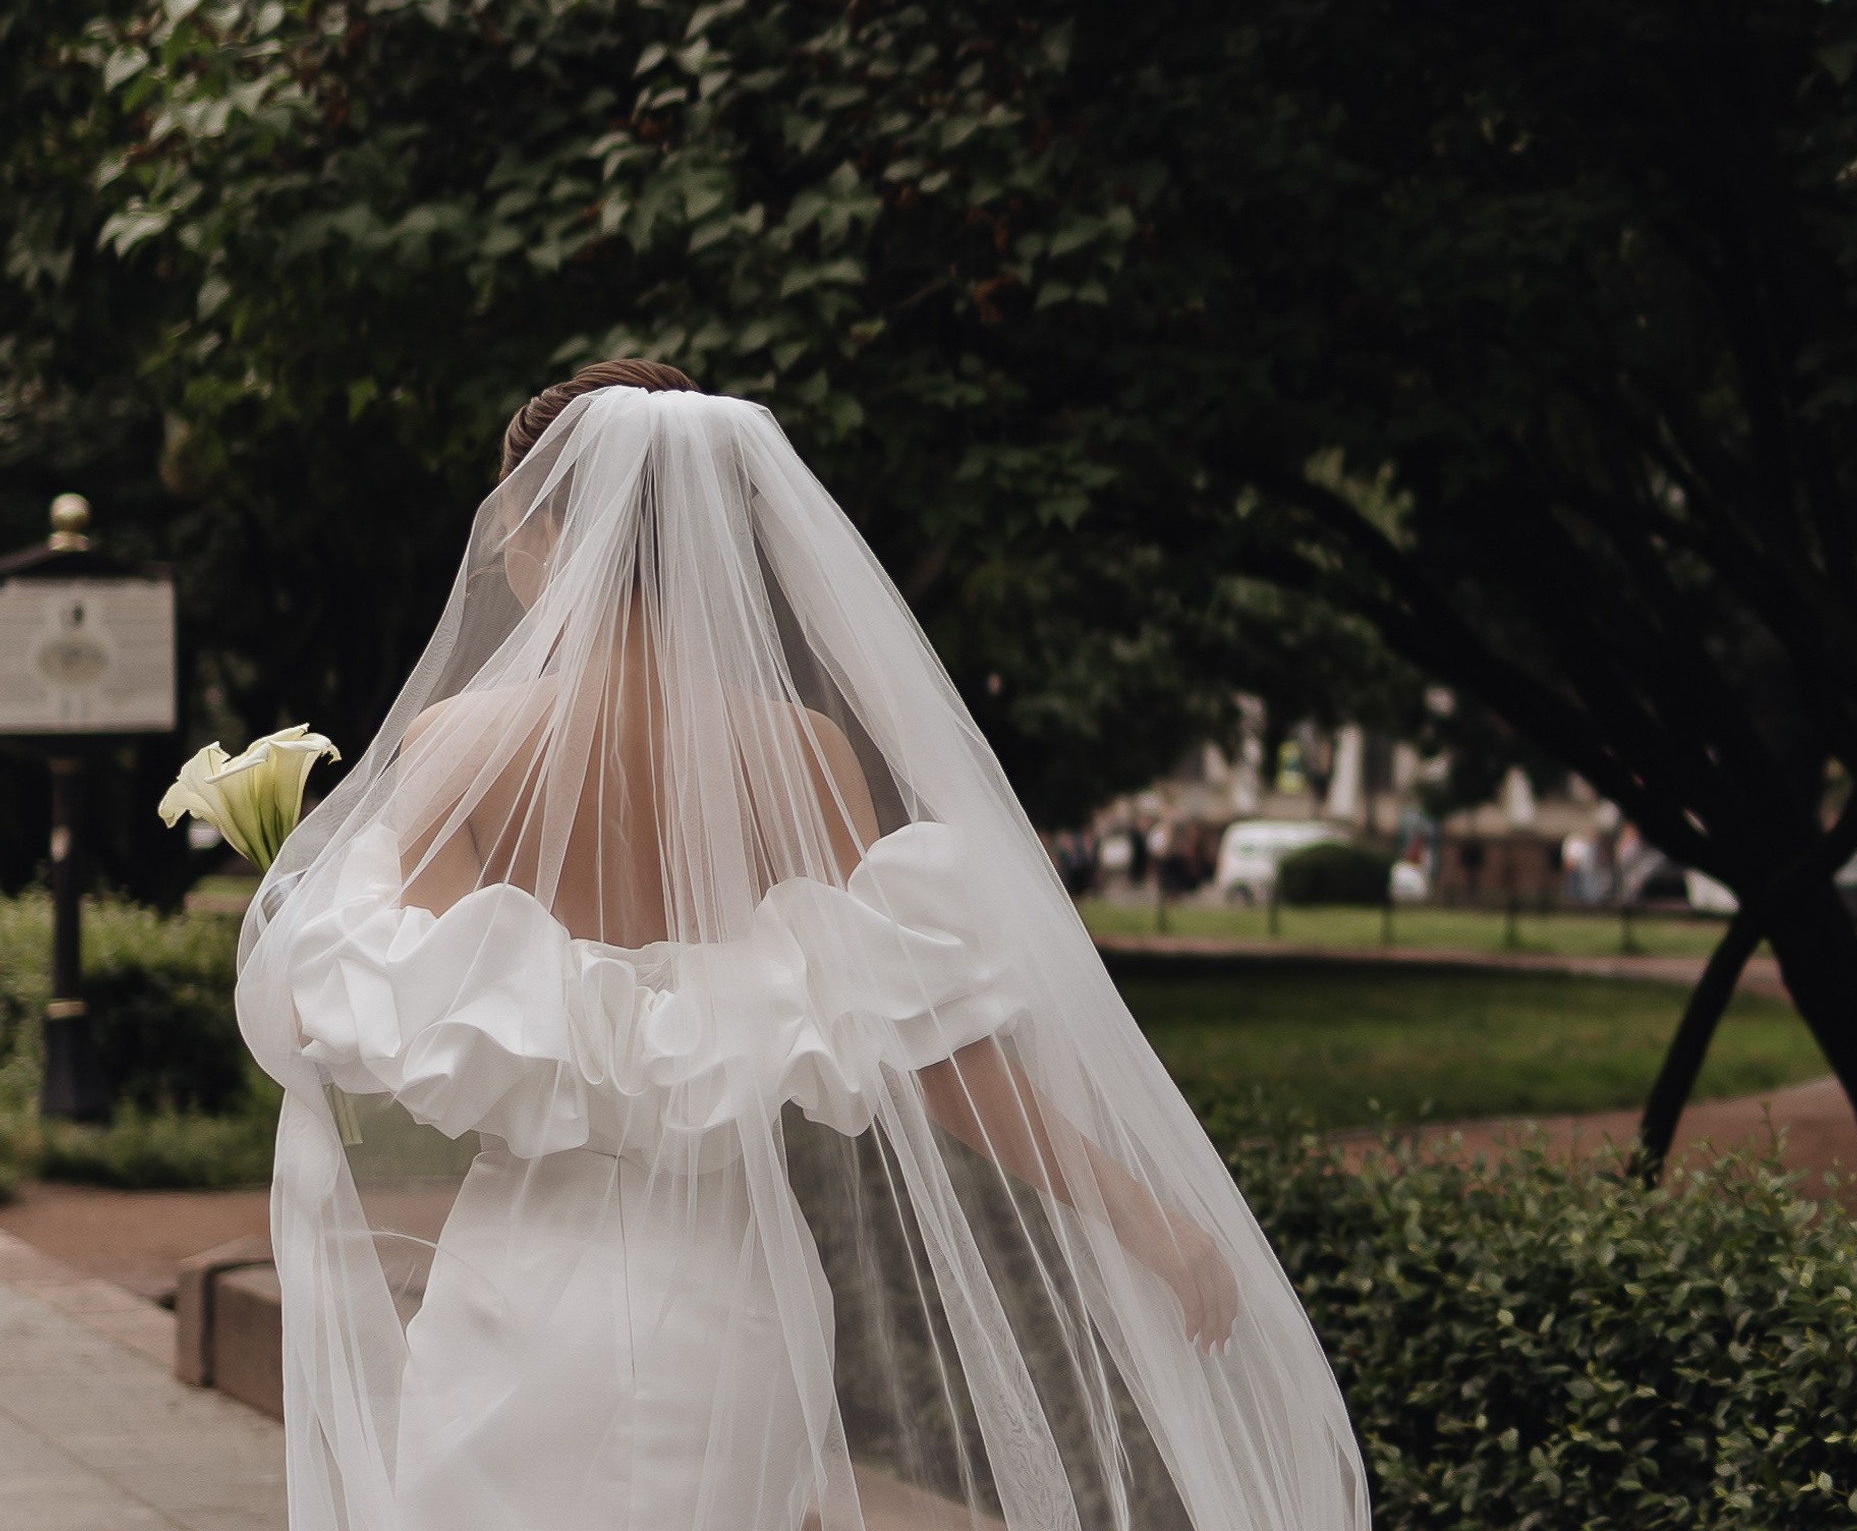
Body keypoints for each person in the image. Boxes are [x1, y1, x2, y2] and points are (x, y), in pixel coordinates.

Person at [236, 363, 1368, 1531]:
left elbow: (406, 1018)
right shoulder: (802, 756)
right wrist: (1148, 1222)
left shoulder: (454, 745)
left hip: (517, 1282)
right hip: (732, 1298)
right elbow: (936, 1049)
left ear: (542, 529)